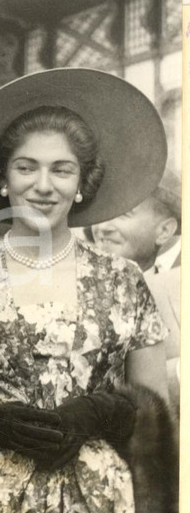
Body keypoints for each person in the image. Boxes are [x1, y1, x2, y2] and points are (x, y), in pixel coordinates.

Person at [0, 68, 176, 513]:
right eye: (26, 167)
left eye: (61, 170)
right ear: (3, 179)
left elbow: (155, 413)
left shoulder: (123, 280)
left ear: (82, 184)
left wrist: (101, 411)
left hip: (101, 496)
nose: (43, 186)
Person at [91, 170, 181, 412]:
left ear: (164, 231)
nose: (105, 226)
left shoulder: (176, 290)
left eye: (123, 214)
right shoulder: (78, 282)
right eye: (102, 212)